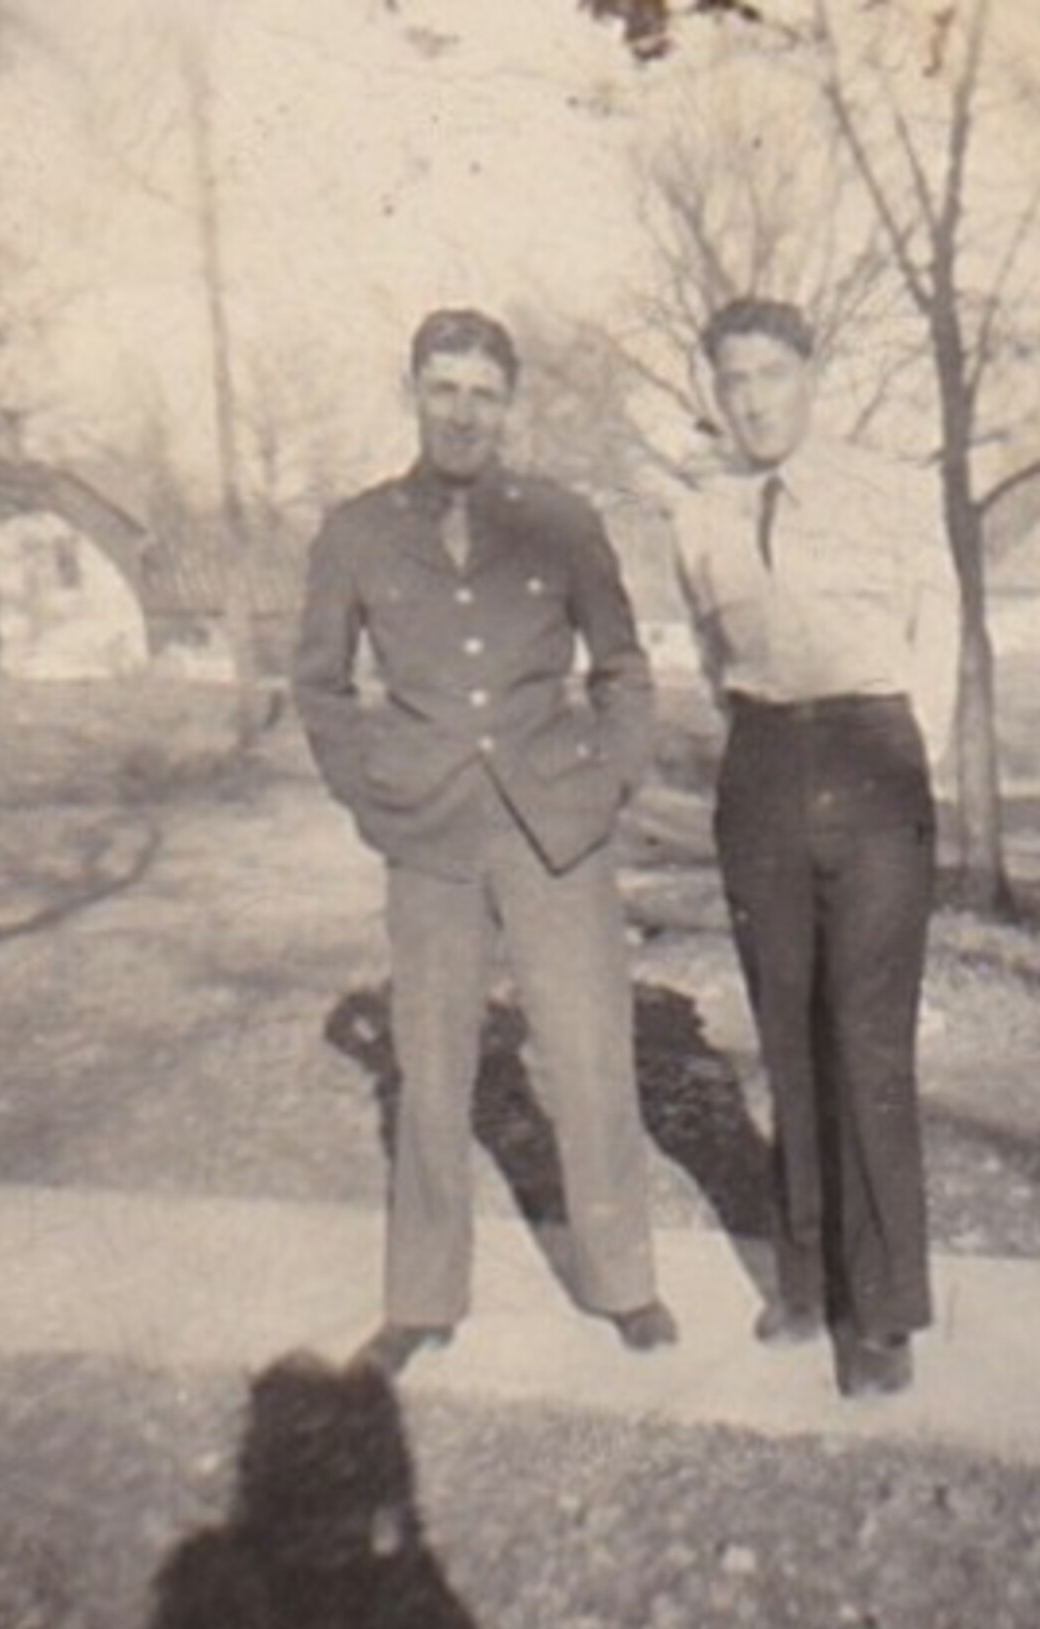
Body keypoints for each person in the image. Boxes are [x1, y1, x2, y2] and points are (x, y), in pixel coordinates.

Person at [293, 307, 677, 1375]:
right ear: (414, 393)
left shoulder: (560, 519)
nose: (463, 412)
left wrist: (609, 781)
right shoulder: (355, 530)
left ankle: (624, 1283)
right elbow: (318, 686)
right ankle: (422, 1300)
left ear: (510, 405)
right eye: (444, 388)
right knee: (429, 1065)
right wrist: (369, 795)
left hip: (558, 826)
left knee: (594, 1055)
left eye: (483, 392)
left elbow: (624, 666)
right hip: (429, 833)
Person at [672, 297, 958, 1397]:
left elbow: (937, 633)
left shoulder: (890, 491)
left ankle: (881, 1314)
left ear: (810, 376)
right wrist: (761, 737)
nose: (752, 398)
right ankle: (805, 1279)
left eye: (771, 374)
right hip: (761, 768)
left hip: (874, 756)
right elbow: (708, 651)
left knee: (869, 1045)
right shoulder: (699, 518)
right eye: (732, 379)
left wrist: (901, 760)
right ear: (717, 392)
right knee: (785, 1036)